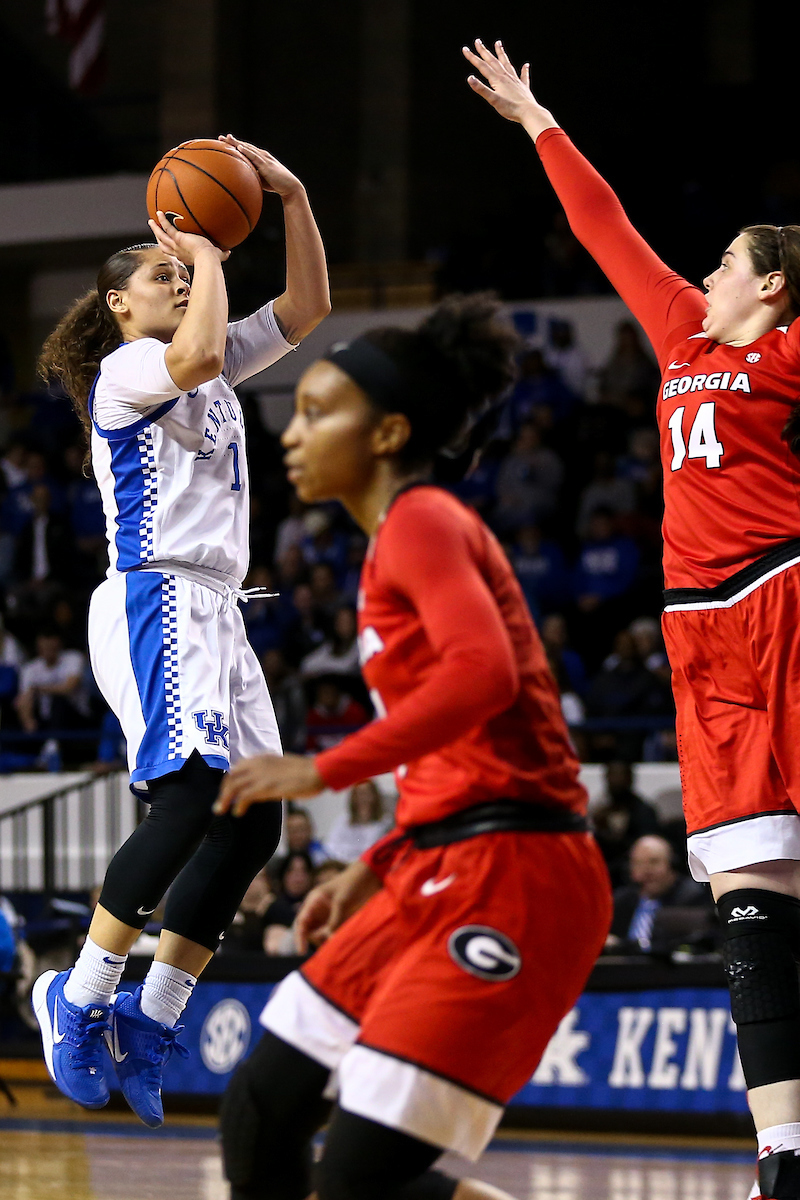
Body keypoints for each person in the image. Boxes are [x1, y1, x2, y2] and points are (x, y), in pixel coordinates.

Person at [463, 37, 800, 1197]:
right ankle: (783, 1156)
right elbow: (606, 225)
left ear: (772, 284)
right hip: (695, 634)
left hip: (781, 593)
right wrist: (537, 120)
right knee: (748, 909)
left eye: (725, 262)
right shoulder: (675, 333)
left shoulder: (797, 353)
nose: (703, 273)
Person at [213, 293, 611, 1200]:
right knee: (261, 1107)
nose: (292, 433)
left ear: (389, 432)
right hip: (437, 859)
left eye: (318, 412)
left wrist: (322, 768)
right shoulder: (396, 538)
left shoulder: (424, 521)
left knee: (362, 1180)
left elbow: (483, 679)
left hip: (519, 870)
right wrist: (385, 858)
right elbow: (458, 747)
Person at [29, 134, 330, 1127]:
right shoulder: (127, 370)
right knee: (190, 796)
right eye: (159, 271)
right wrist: (204, 255)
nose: (180, 273)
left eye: (181, 266)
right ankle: (76, 998)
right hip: (156, 596)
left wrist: (285, 196)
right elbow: (198, 345)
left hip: (221, 610)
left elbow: (305, 311)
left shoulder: (202, 363)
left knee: (254, 821)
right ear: (120, 305)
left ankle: (152, 1019)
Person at [606, 835, 711, 953]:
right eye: (638, 863)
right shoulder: (620, 901)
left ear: (672, 864)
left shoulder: (691, 897)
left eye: (653, 862)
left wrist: (623, 945)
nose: (646, 871)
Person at [324, 780, 392, 863]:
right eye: (359, 794)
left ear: (375, 796)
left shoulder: (386, 822)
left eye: (367, 793)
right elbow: (331, 845)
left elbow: (375, 850)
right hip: (341, 865)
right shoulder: (343, 820)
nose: (363, 798)